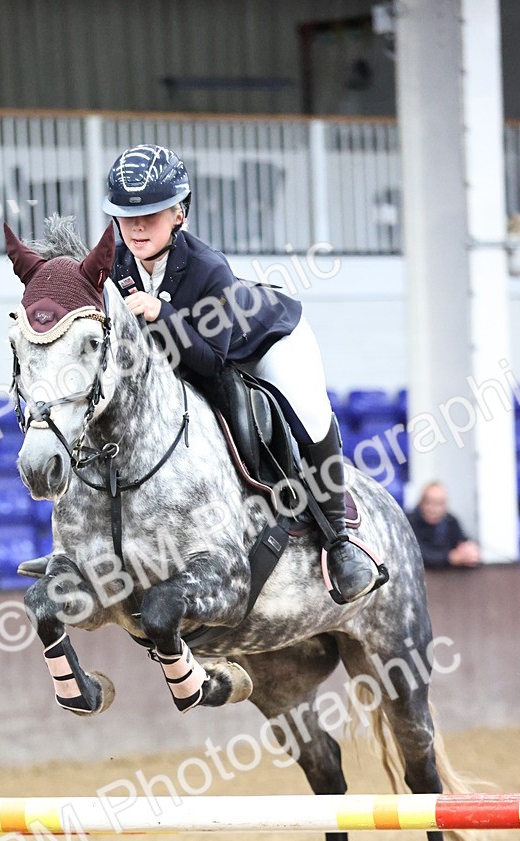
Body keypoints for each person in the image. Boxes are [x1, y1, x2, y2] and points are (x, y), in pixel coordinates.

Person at [102, 143, 378, 605]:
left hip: (264, 342)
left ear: (180, 214)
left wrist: (158, 313)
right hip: (197, 350)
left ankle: (340, 544)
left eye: (152, 213)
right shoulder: (115, 262)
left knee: (308, 414)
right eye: (127, 216)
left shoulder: (209, 268)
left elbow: (212, 361)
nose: (137, 226)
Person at [407, 482, 482, 569]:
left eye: (439, 503)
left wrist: (470, 551)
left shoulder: (450, 521)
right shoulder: (409, 522)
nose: (434, 509)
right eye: (429, 502)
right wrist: (450, 558)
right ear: (421, 502)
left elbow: (462, 541)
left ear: (445, 505)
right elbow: (415, 554)